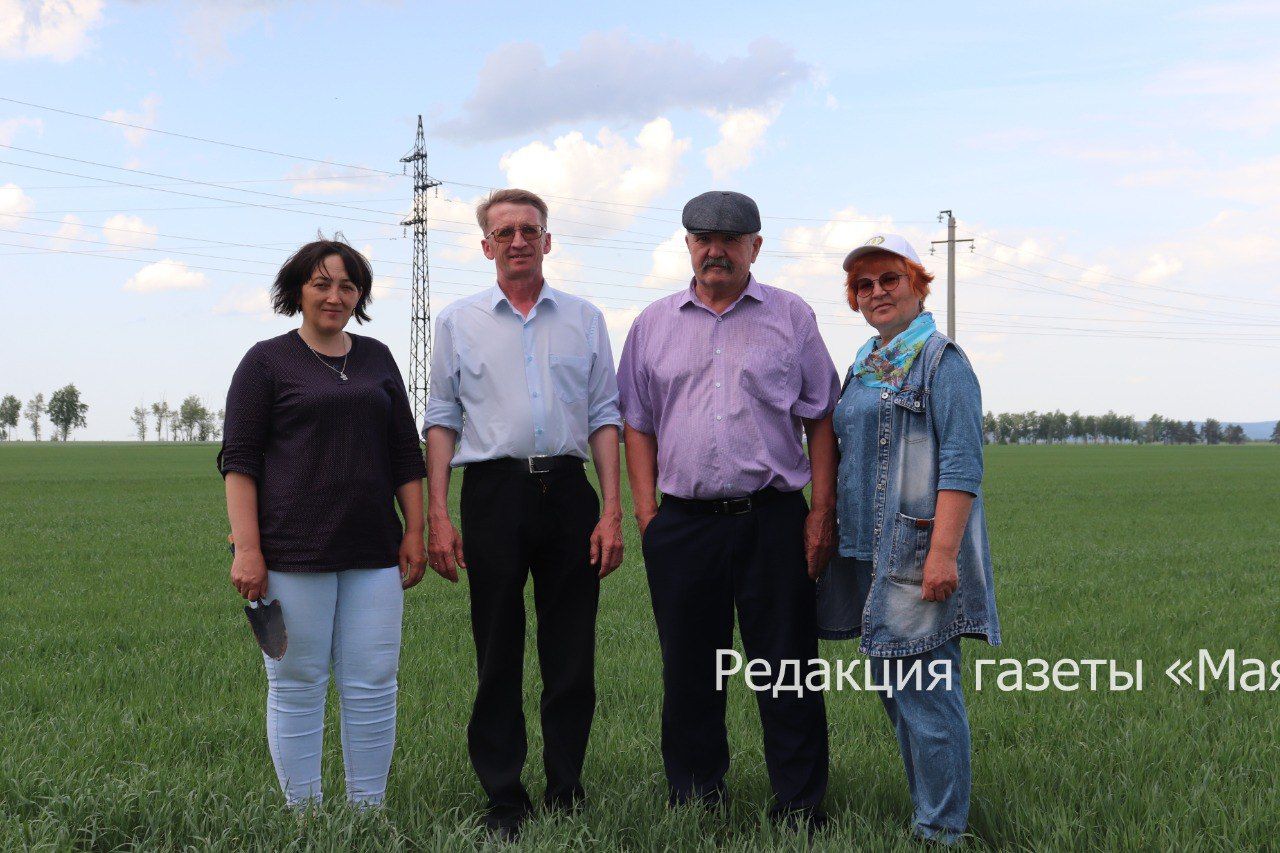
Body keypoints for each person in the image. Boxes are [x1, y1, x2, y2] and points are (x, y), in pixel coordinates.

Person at [617, 190, 839, 828]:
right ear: (687, 244)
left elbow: (820, 415)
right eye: (702, 237)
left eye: (730, 239)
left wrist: (819, 512)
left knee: (787, 668)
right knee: (690, 671)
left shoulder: (791, 317)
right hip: (683, 525)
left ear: (755, 247)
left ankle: (799, 807)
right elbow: (636, 422)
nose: (715, 250)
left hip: (773, 519)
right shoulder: (653, 324)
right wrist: (645, 514)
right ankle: (695, 799)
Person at [422, 188, 624, 840]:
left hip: (569, 495)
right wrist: (439, 516)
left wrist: (612, 510)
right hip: (492, 496)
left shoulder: (585, 319)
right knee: (498, 649)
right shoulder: (458, 322)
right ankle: (504, 796)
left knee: (572, 655)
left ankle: (566, 788)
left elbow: (604, 416)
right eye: (504, 231)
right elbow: (442, 420)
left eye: (529, 230)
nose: (517, 241)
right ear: (486, 245)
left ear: (547, 240)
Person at [218, 239, 428, 807]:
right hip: (291, 552)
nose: (335, 296)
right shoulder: (265, 362)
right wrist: (247, 548)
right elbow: (239, 460)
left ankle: (367, 810)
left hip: (374, 552)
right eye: (321, 283)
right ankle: (305, 814)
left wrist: (414, 531)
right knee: (296, 685)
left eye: (347, 286)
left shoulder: (377, 357)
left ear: (359, 295)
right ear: (297, 291)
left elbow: (405, 454)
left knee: (374, 685)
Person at [816, 233, 1001, 844]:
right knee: (897, 692)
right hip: (868, 554)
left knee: (927, 697)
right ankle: (930, 808)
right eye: (863, 285)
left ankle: (941, 829)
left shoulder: (943, 362)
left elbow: (962, 466)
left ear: (918, 283)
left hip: (917, 555)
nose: (876, 293)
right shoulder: (865, 364)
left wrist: (943, 555)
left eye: (889, 279)